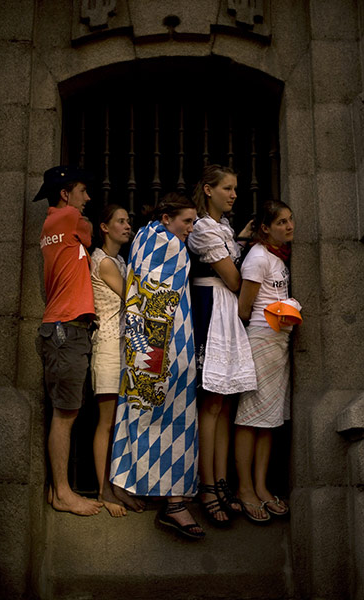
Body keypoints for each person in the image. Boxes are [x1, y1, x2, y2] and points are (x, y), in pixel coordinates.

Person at [110, 192, 205, 539]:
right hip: (159, 346)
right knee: (170, 416)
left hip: (145, 344)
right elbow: (158, 298)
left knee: (139, 409)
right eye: (187, 221)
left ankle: (128, 482)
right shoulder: (165, 244)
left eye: (194, 222)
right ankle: (173, 503)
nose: (191, 229)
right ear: (166, 218)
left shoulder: (144, 238)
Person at [187, 164, 257, 527]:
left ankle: (222, 480)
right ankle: (206, 484)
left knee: (225, 401)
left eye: (235, 188)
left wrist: (241, 242)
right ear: (209, 189)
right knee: (211, 401)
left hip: (227, 311)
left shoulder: (224, 229)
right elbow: (231, 278)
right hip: (213, 308)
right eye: (227, 188)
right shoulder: (202, 229)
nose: (233, 194)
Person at [34, 165, 102, 516]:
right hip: (66, 329)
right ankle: (62, 492)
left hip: (61, 328)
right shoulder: (70, 219)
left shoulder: (51, 224)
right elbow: (90, 235)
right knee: (65, 415)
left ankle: (57, 489)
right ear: (66, 194)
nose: (87, 198)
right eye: (82, 190)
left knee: (66, 412)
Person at [234, 199, 301, 522]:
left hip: (279, 342)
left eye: (290, 220)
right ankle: (244, 487)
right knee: (250, 417)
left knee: (269, 419)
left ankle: (261, 486)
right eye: (281, 222)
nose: (289, 226)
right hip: (261, 339)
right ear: (265, 228)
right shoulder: (258, 258)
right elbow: (245, 308)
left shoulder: (279, 257)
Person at [90, 204, 145, 517]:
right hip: (109, 348)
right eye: (121, 221)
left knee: (121, 422)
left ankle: (119, 485)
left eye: (128, 221)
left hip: (124, 349)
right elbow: (133, 298)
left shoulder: (121, 260)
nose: (127, 226)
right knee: (107, 423)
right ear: (105, 227)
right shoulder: (105, 262)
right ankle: (104, 489)